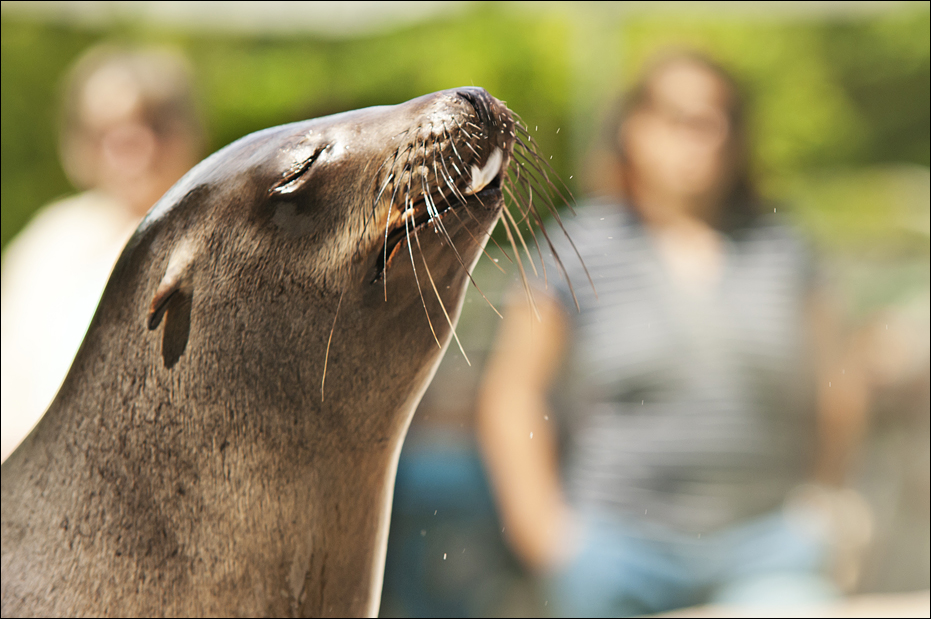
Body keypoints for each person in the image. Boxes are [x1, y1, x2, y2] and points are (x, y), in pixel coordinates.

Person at [477, 51, 868, 616]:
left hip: (766, 547)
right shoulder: (578, 246)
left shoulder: (784, 250)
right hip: (612, 552)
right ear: (632, 130)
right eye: (681, 117)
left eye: (720, 118)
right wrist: (541, 526)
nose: (705, 135)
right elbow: (514, 392)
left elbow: (839, 378)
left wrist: (827, 497)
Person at [1, 45, 204, 462]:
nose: (133, 148)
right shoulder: (52, 236)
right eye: (109, 132)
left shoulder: (209, 233)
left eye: (153, 126)